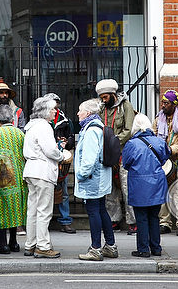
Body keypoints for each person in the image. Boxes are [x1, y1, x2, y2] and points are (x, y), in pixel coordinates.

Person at [23, 97, 66, 258]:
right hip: (43, 170)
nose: (55, 112)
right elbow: (50, 151)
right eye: (53, 109)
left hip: (31, 170)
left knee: (32, 210)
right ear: (46, 111)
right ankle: (42, 246)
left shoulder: (31, 126)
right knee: (44, 211)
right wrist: (60, 155)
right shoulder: (44, 127)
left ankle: (30, 243)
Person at [74, 98, 116, 261]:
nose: (78, 113)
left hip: (92, 179)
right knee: (101, 210)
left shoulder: (91, 131)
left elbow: (89, 160)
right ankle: (111, 246)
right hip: (100, 178)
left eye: (80, 110)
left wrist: (80, 175)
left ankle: (95, 249)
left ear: (88, 113)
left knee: (94, 212)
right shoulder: (97, 127)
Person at [122, 114, 169, 257]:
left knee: (141, 217)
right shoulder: (159, 142)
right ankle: (156, 248)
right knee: (154, 217)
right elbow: (164, 158)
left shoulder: (131, 144)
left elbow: (126, 164)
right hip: (157, 182)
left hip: (139, 184)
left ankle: (143, 249)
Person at [95, 78, 136, 231]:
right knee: (109, 189)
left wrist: (112, 141)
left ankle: (133, 221)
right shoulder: (101, 108)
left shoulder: (126, 106)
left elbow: (129, 130)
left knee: (126, 188)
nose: (103, 100)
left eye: (105, 97)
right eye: (101, 98)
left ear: (112, 94)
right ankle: (114, 219)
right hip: (106, 153)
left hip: (123, 153)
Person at [0, 104, 26, 255]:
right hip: (19, 177)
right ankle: (13, 242)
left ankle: (3, 244)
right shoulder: (20, 134)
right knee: (15, 208)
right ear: (12, 118)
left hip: (1, 178)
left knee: (1, 209)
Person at [154, 90, 178, 236]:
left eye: (166, 103)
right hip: (162, 162)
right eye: (162, 102)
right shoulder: (158, 119)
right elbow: (153, 136)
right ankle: (164, 223)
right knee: (163, 193)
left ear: (174, 105)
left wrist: (170, 149)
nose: (163, 105)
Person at [43, 93, 75, 234]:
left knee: (64, 192)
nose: (54, 106)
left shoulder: (65, 120)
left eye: (56, 102)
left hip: (60, 159)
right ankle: (45, 222)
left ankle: (65, 220)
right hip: (45, 160)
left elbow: (72, 138)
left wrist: (67, 143)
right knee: (44, 192)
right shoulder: (41, 120)